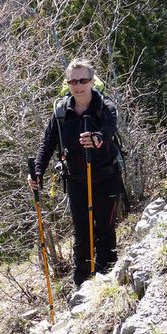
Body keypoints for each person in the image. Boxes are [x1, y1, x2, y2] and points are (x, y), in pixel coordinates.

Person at [29, 58, 120, 287]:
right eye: (72, 81)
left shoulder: (105, 107)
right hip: (77, 181)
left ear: (92, 81)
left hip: (107, 178)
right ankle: (83, 284)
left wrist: (98, 138)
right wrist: (37, 171)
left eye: (83, 80)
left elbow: (109, 128)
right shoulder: (61, 113)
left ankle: (106, 280)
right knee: (82, 233)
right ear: (67, 83)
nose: (78, 85)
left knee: (105, 230)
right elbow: (47, 144)